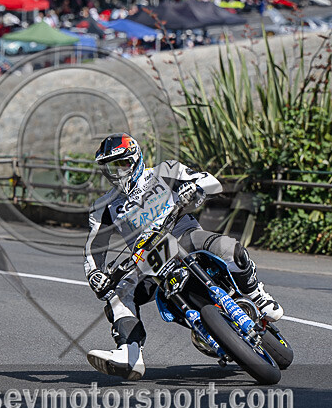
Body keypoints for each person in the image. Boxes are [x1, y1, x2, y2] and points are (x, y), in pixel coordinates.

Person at [84, 134, 284, 380]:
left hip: (183, 236)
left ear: (136, 159)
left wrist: (195, 187)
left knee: (230, 248)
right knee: (117, 296)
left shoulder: (166, 171)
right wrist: (95, 274)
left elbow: (212, 183)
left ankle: (257, 296)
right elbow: (94, 247)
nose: (117, 172)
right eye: (109, 167)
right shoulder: (103, 206)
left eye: (121, 164)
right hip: (146, 259)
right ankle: (130, 353)